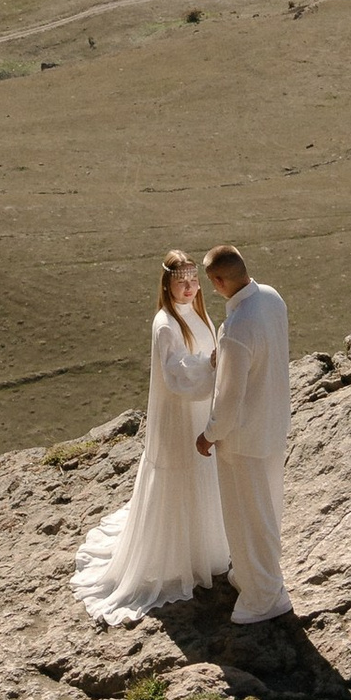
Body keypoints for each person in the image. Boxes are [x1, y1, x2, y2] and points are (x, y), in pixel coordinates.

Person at [70, 250, 232, 622]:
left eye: (194, 280)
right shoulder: (166, 324)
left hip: (199, 410)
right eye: (182, 281)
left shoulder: (198, 313)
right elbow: (175, 373)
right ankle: (177, 556)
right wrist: (209, 365)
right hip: (178, 417)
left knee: (202, 472)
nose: (190, 287)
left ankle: (203, 549)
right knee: (182, 471)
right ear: (167, 284)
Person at [194, 241, 293, 622]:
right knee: (267, 509)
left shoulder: (235, 328)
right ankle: (256, 576)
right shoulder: (270, 297)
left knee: (245, 517)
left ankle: (263, 595)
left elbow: (229, 399)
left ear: (218, 281)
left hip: (243, 438)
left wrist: (209, 434)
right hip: (273, 424)